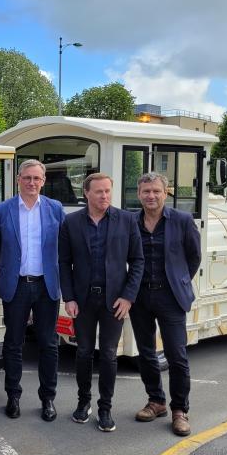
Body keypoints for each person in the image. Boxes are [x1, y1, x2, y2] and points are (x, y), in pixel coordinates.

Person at [59, 172, 144, 432]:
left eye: (108, 191)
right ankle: (83, 403)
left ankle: (105, 408)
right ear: (87, 193)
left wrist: (128, 297)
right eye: (99, 191)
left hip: (114, 301)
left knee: (108, 354)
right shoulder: (71, 222)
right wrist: (69, 297)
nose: (104, 196)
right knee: (84, 353)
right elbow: (64, 262)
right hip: (83, 301)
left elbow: (138, 261)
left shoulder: (127, 220)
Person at [0, 159, 66, 422]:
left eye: (36, 178)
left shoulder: (55, 209)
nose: (32, 183)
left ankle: (48, 399)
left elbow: (63, 249)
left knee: (48, 344)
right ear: (18, 180)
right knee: (13, 343)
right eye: (27, 178)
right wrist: (11, 269)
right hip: (17, 285)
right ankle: (13, 396)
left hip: (46, 286)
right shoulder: (2, 210)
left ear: (43, 181)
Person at [130, 172, 201, 436]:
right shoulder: (131, 222)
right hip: (139, 297)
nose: (151, 196)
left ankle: (180, 410)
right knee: (146, 353)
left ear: (165, 192)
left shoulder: (182, 220)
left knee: (176, 355)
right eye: (146, 191)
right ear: (139, 194)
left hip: (171, 297)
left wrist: (179, 281)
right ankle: (156, 401)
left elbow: (194, 257)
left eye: (156, 191)